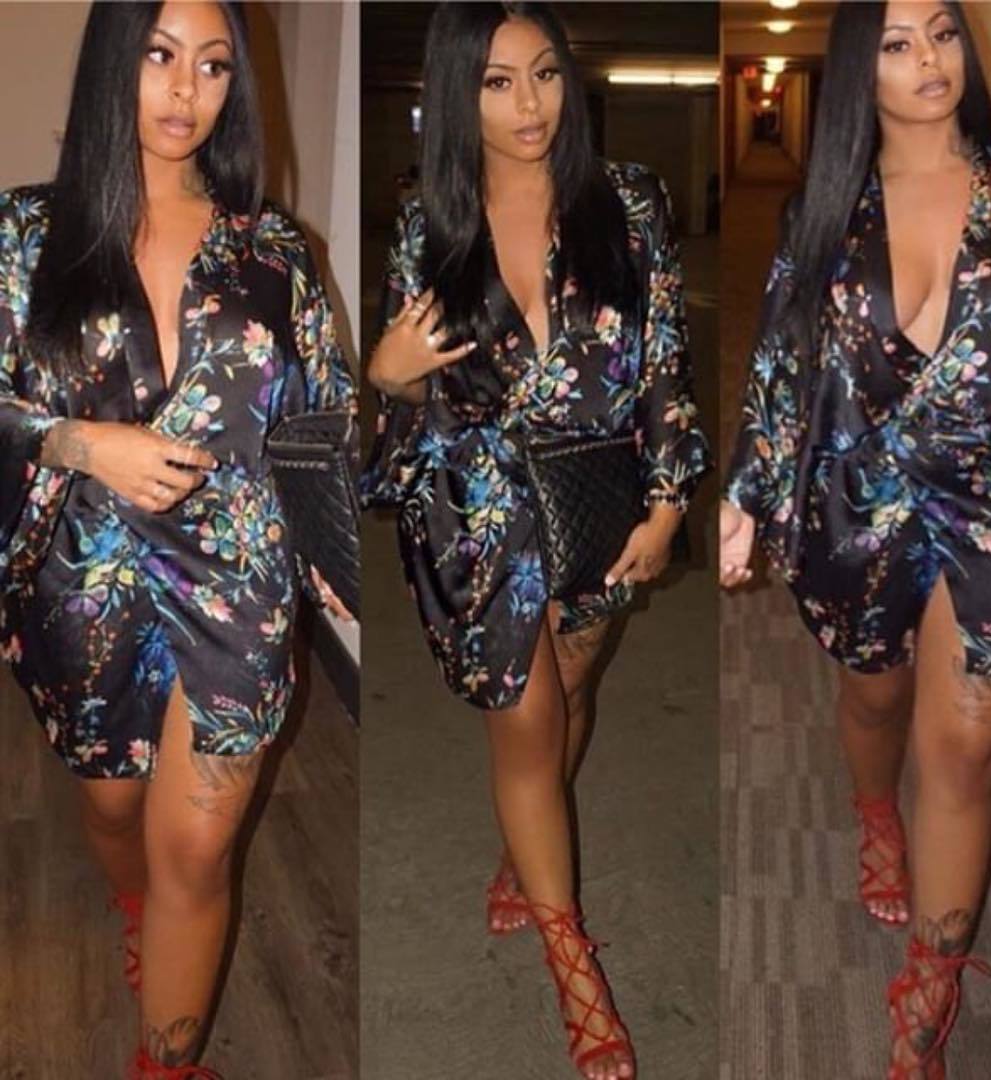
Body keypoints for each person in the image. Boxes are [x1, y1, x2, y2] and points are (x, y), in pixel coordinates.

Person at [720, 1, 991, 1075]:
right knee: (875, 698)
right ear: (858, 70)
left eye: (944, 32)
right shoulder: (828, 207)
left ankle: (931, 976)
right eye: (897, 42)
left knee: (965, 750)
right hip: (859, 502)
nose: (931, 58)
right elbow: (784, 358)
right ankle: (876, 810)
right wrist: (746, 492)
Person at [0, 3, 356, 1075]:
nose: (185, 91)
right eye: (159, 57)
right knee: (115, 812)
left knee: (197, 853)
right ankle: (132, 902)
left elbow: (322, 418)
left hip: (240, 578)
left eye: (213, 66)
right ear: (117, 61)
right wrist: (73, 440)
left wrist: (336, 563)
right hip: (81, 577)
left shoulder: (275, 250)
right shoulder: (24, 235)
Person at [361, 3, 710, 1077]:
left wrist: (669, 501)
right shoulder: (427, 224)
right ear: (458, 93)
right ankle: (575, 969)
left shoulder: (629, 203)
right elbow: (408, 388)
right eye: (498, 81)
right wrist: (386, 377)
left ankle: (526, 854)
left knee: (573, 686)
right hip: (478, 508)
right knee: (526, 719)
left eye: (546, 74)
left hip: (599, 497)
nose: (529, 105)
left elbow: (664, 361)